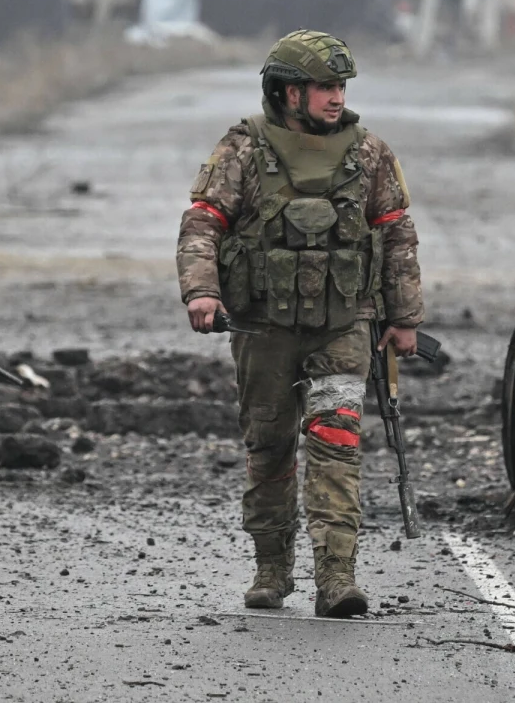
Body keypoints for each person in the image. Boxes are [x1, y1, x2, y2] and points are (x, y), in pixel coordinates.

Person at [175, 30, 424, 617]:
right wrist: (202, 292)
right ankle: (271, 568)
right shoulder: (242, 148)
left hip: (343, 324)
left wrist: (404, 317)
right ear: (289, 92)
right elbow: (202, 223)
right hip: (262, 326)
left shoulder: (370, 153)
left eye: (341, 87)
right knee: (269, 447)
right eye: (325, 87)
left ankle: (337, 577)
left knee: (336, 441)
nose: (337, 98)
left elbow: (396, 236)